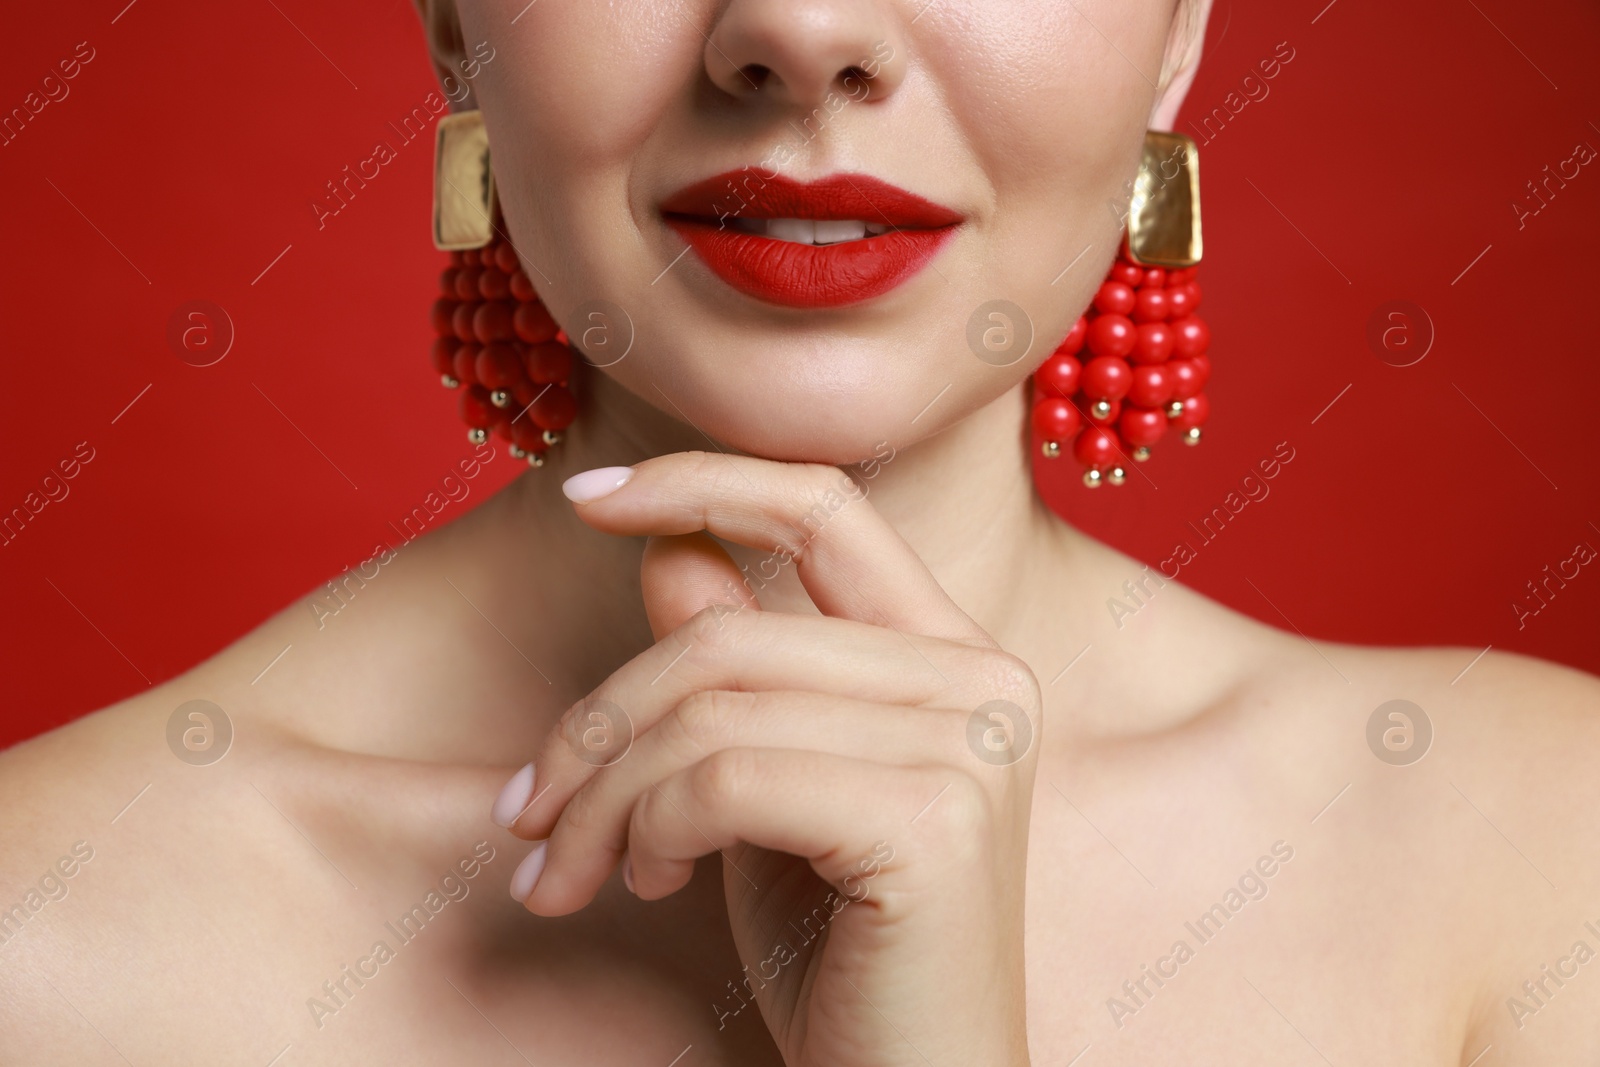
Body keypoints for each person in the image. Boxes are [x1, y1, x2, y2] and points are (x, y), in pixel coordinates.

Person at [3, 1, 1597, 1063]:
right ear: (450, 23)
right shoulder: (44, 941)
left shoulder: (1542, 865)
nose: (802, 30)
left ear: (1178, 29)